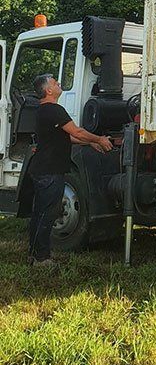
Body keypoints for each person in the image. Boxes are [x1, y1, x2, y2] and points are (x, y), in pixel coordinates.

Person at [29, 73, 113, 267]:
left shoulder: (45, 111)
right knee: (47, 214)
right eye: (54, 82)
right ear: (48, 90)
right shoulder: (53, 109)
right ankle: (41, 258)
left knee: (41, 213)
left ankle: (34, 255)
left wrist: (89, 143)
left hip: (44, 169)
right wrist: (98, 139)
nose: (58, 83)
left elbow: (68, 137)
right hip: (49, 171)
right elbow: (77, 131)